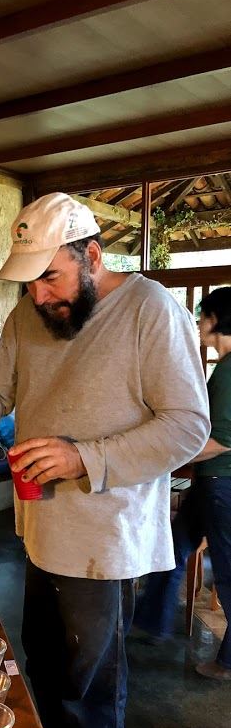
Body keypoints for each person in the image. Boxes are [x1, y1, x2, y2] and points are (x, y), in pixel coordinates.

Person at [0, 192, 209, 728]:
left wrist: (82, 456)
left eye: (50, 278)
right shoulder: (33, 314)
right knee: (46, 669)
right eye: (29, 284)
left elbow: (187, 427)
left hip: (104, 541)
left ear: (91, 255)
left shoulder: (148, 310)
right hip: (40, 531)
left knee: (88, 686)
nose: (39, 297)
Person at [134, 287, 231, 680]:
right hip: (210, 484)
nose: (198, 324)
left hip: (222, 486)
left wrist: (163, 458)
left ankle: (228, 662)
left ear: (214, 320)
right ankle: (149, 622)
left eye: (202, 316)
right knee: (171, 549)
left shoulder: (228, 371)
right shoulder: (223, 367)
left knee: (227, 573)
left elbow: (220, 439)